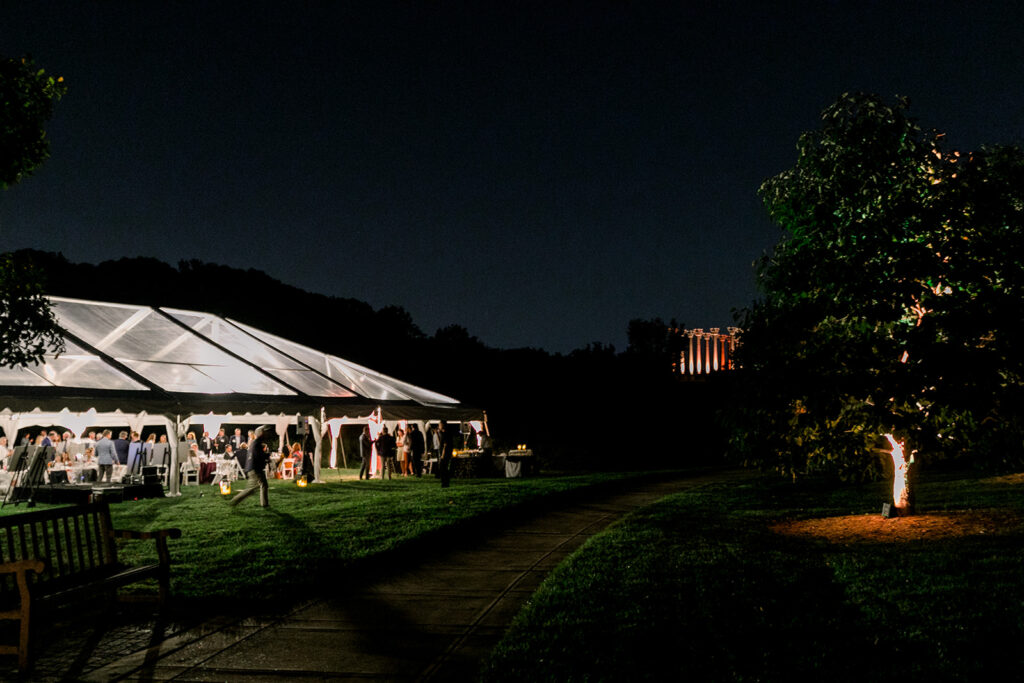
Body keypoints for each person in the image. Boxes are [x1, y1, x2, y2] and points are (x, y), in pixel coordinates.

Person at [230, 425, 271, 508]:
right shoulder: (257, 443)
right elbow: (258, 456)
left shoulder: (255, 442)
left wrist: (266, 456)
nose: (267, 434)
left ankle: (265, 504)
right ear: (261, 433)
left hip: (254, 468)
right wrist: (266, 457)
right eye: (265, 432)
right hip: (254, 469)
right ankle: (234, 500)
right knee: (251, 489)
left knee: (264, 484)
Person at [438, 420, 453, 488]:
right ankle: (445, 482)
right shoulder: (443, 433)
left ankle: (445, 483)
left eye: (440, 425)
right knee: (444, 468)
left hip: (445, 454)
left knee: (443, 468)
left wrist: (442, 455)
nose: (439, 426)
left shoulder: (446, 434)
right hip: (446, 453)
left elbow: (445, 445)